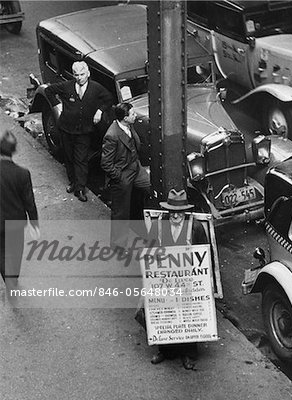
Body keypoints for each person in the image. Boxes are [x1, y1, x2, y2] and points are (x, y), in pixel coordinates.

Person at [147, 189, 208, 370]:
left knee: (187, 317)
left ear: (185, 212)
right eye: (172, 212)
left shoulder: (195, 227)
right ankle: (166, 351)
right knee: (166, 316)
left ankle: (188, 354)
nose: (175, 216)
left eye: (179, 213)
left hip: (188, 280)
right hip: (165, 280)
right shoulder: (159, 225)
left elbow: (205, 255)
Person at [45, 61, 113, 202]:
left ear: (88, 74)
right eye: (76, 75)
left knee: (81, 159)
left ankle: (80, 188)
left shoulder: (96, 88)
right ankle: (73, 183)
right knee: (69, 157)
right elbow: (48, 90)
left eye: (82, 74)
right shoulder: (67, 86)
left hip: (84, 131)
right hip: (66, 129)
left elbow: (108, 98)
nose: (79, 77)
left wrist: (100, 111)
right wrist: (57, 104)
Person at [101, 102, 150, 250]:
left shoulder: (129, 125)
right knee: (120, 210)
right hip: (123, 174)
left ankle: (144, 231)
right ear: (125, 118)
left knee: (151, 190)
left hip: (136, 168)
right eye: (132, 114)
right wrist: (119, 177)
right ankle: (118, 245)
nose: (135, 115)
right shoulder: (112, 136)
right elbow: (106, 163)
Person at [0, 130, 39, 293]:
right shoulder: (23, 174)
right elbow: (29, 202)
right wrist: (34, 224)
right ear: (14, 151)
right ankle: (12, 279)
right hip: (15, 222)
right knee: (15, 253)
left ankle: (6, 276)